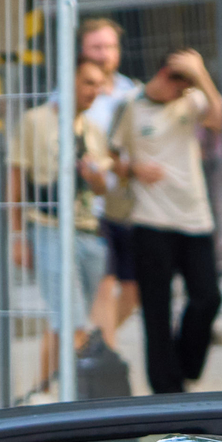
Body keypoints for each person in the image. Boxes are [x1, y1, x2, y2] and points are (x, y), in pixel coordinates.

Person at [113, 48, 222, 394]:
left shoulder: (189, 102)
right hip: (151, 220)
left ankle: (188, 366)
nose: (182, 90)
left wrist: (201, 72)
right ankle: (166, 388)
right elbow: (111, 156)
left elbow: (218, 119)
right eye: (180, 81)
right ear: (163, 75)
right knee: (157, 309)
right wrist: (133, 169)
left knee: (208, 296)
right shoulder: (131, 105)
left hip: (193, 217)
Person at [10, 57, 114, 394]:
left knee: (62, 317)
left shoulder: (93, 129)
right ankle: (81, 395)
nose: (94, 92)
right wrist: (17, 235)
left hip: (87, 230)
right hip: (49, 226)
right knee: (73, 319)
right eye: (88, 83)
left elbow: (101, 188)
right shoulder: (35, 121)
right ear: (69, 82)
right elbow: (15, 179)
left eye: (99, 85)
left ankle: (43, 390)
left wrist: (96, 178)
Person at [78, 19, 142, 346]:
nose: (105, 54)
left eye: (110, 46)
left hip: (126, 207)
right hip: (92, 208)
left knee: (133, 292)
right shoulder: (72, 95)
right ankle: (102, 361)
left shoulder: (133, 93)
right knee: (104, 287)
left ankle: (92, 350)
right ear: (82, 51)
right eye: (96, 47)